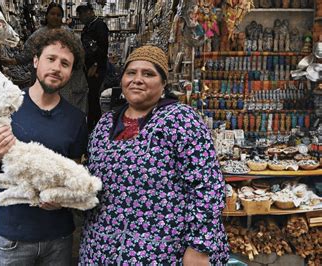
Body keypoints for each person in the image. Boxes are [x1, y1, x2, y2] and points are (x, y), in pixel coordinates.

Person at [79, 46, 229, 265]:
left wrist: (199, 247)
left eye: (148, 74)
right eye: (131, 73)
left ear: (163, 84)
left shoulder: (181, 120)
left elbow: (207, 187)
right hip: (102, 248)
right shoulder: (106, 124)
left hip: (164, 252)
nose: (137, 79)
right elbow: (92, 181)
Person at [0, 29, 88, 265]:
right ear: (36, 61)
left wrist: (64, 198)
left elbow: (74, 169)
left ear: (70, 72)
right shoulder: (7, 106)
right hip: (13, 234)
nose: (57, 68)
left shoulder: (76, 119)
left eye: (65, 63)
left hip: (58, 235)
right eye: (51, 59)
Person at [5, 2, 88, 113]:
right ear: (47, 15)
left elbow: (79, 59)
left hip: (69, 84)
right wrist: (9, 61)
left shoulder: (71, 36)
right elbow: (25, 55)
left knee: (67, 112)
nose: (55, 17)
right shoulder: (38, 36)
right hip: (45, 82)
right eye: (52, 14)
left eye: (58, 15)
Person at [76, 3, 109, 130]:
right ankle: (92, 124)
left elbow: (103, 47)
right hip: (88, 66)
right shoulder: (87, 28)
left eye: (82, 14)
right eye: (79, 15)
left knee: (94, 96)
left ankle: (96, 125)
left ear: (90, 12)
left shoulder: (99, 25)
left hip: (96, 68)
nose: (81, 17)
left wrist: (95, 65)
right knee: (91, 97)